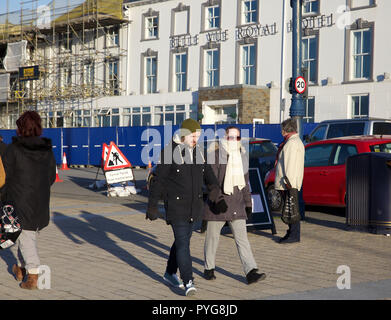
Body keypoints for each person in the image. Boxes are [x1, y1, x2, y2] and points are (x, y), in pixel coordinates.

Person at [146, 118, 225, 296]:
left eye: (198, 135)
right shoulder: (170, 152)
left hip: (194, 207)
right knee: (183, 244)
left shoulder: (199, 152)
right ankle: (188, 281)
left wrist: (216, 194)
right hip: (176, 206)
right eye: (193, 135)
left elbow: (209, 176)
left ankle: (169, 273)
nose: (196, 139)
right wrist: (152, 206)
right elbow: (158, 181)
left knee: (182, 241)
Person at [203, 126, 266, 284]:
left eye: (237, 137)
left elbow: (245, 183)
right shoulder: (214, 155)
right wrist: (218, 200)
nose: (234, 140)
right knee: (212, 239)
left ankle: (251, 271)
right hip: (218, 205)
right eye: (231, 137)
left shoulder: (242, 156)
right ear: (225, 138)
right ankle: (209, 268)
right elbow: (211, 182)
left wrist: (247, 202)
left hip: (236, 204)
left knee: (242, 240)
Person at [3, 111, 56, 289]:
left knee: (25, 237)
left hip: (20, 199)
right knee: (27, 235)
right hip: (40, 200)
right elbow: (51, 176)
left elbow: (6, 176)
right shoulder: (46, 149)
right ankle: (21, 269)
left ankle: (33, 275)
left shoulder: (14, 149)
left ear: (20, 128)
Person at [274, 118, 305, 244]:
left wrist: (289, 183)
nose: (281, 131)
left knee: (292, 208)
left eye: (282, 128)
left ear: (285, 130)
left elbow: (290, 164)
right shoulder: (293, 141)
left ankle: (294, 234)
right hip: (289, 181)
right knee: (291, 207)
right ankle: (292, 232)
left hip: (289, 182)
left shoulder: (292, 143)